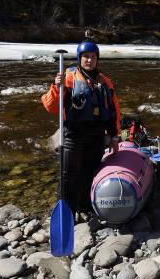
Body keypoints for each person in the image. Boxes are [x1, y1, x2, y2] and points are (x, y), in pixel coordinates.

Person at [42, 41, 121, 221]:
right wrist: (56, 87)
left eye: (93, 57)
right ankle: (66, 211)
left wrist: (115, 136)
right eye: (85, 56)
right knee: (69, 175)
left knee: (89, 172)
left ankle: (85, 207)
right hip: (73, 134)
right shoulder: (68, 78)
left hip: (96, 135)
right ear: (79, 58)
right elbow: (50, 107)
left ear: (97, 60)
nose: (89, 60)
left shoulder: (105, 81)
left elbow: (113, 111)